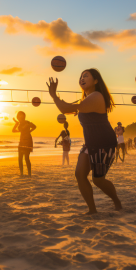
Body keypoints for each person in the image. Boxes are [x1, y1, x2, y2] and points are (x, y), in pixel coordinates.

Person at [47, 68, 122, 215]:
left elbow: (65, 108)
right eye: (81, 76)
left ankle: (116, 201)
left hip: (104, 143)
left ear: (96, 81)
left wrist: (53, 95)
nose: (82, 78)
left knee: (98, 180)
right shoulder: (86, 100)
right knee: (79, 174)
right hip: (90, 143)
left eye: (86, 76)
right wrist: (63, 103)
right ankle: (92, 210)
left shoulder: (96, 96)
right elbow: (68, 108)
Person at [12, 112, 36, 176]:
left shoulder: (27, 123)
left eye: (20, 117)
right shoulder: (19, 123)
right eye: (19, 117)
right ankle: (22, 173)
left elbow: (34, 126)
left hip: (27, 141)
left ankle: (29, 174)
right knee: (20, 158)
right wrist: (16, 123)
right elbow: (13, 130)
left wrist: (29, 131)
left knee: (26, 158)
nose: (19, 118)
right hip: (22, 141)